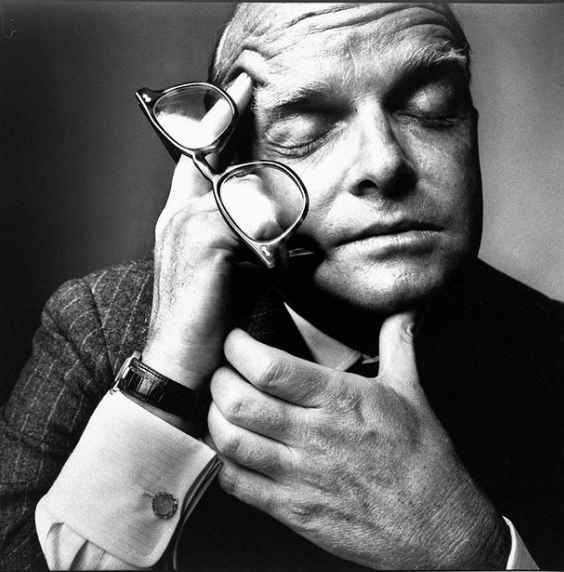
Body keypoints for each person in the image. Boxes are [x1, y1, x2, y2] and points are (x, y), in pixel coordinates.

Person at [1, 3, 562, 570]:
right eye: (305, 131)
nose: (385, 163)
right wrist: (167, 378)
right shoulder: (97, 328)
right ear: (231, 169)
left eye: (431, 108)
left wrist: (469, 549)